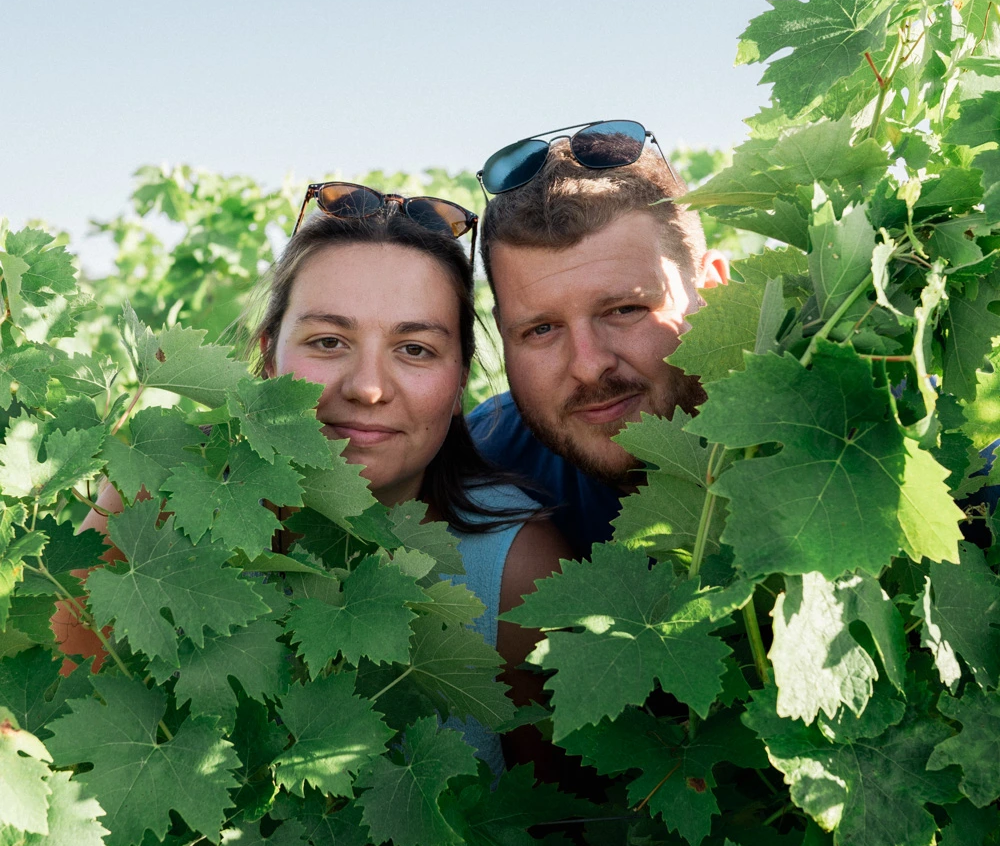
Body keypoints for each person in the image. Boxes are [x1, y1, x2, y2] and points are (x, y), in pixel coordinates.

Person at [62, 182, 570, 774]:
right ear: (267, 355)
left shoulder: (516, 569)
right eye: (328, 342)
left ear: (460, 381)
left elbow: (556, 833)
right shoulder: (157, 501)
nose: (368, 387)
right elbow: (65, 730)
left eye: (415, 349)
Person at [468, 121, 729, 559]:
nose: (589, 366)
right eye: (541, 329)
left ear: (716, 292)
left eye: (624, 310)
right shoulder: (483, 462)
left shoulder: (847, 423)